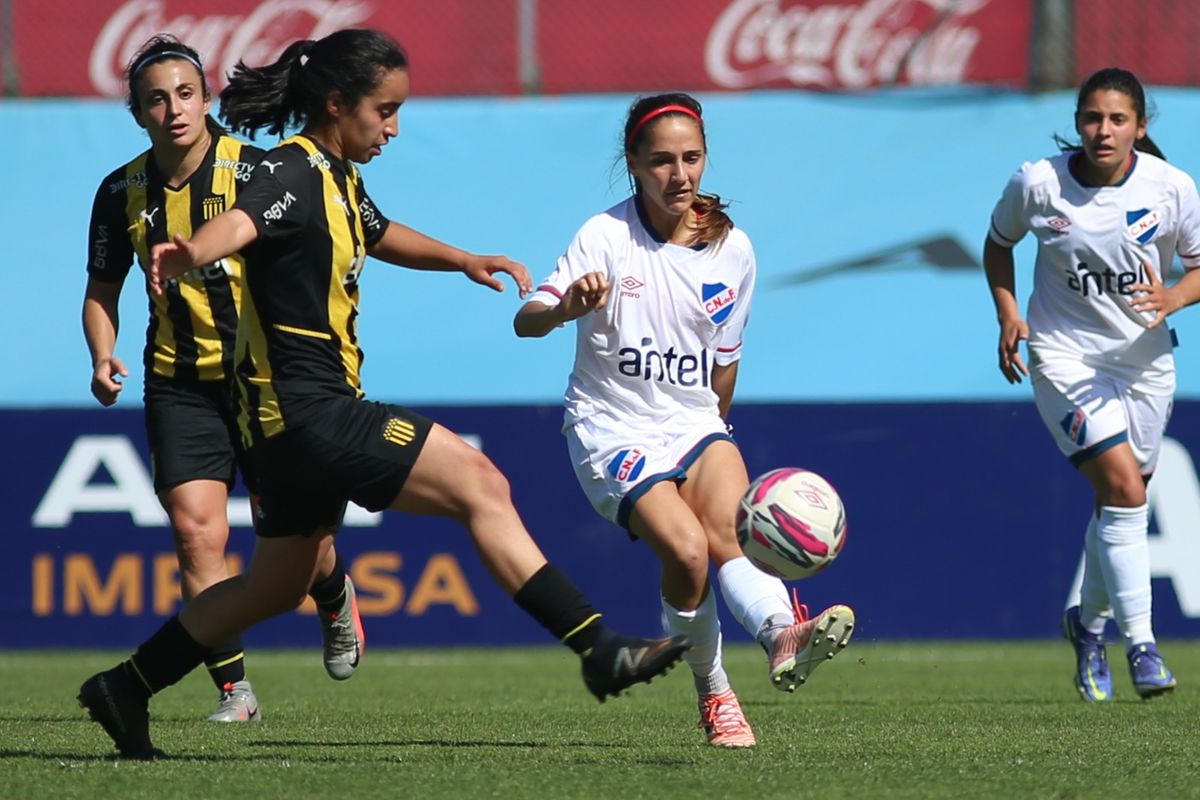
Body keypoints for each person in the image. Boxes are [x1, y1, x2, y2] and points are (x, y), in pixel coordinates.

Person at [77, 28, 688, 760]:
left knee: (273, 588)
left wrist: (462, 258)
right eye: (385, 111)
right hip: (310, 413)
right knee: (480, 484)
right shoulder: (291, 171)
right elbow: (241, 221)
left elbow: (376, 231)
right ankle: (598, 647)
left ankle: (126, 686)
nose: (394, 128)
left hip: (278, 429)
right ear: (337, 104)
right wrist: (192, 251)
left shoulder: (335, 177)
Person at [513, 93, 856, 748]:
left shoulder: (733, 250)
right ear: (634, 164)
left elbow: (724, 363)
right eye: (662, 161)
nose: (680, 174)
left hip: (693, 419)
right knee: (689, 552)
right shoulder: (604, 236)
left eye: (691, 158)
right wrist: (563, 310)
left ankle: (783, 633)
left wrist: (714, 436)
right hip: (609, 426)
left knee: (734, 530)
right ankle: (715, 691)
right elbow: (526, 320)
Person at [82, 35, 364, 725]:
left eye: (185, 93)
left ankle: (333, 595)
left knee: (305, 547)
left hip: (262, 380)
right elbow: (101, 290)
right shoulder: (121, 190)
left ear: (207, 99)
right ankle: (235, 692)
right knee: (196, 534)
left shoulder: (257, 171)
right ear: (138, 113)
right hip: (178, 384)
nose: (173, 109)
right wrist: (101, 354)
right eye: (156, 99)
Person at [984, 67, 1200, 702]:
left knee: (1121, 503)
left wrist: (1173, 298)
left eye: (1117, 119)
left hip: (1144, 364)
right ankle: (1143, 647)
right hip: (1064, 358)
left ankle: (1088, 625)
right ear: (1077, 121)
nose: (1102, 131)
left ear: (1140, 126)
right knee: (1126, 488)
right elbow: (999, 246)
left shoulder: (1170, 188)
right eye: (1091, 117)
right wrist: (1008, 314)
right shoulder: (1038, 183)